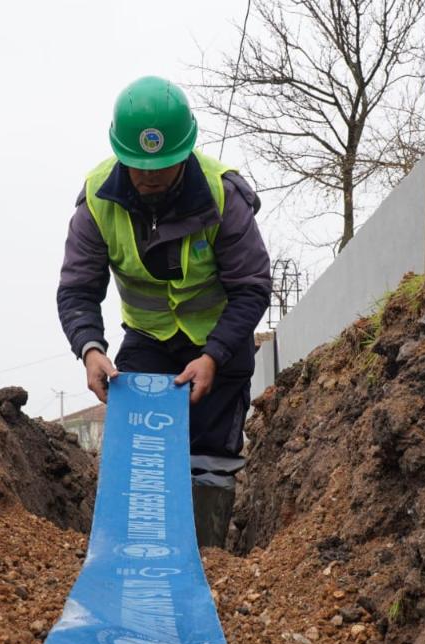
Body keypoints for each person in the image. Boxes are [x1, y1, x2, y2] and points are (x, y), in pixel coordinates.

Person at [56, 76, 272, 548]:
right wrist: (90, 349)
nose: (149, 175)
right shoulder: (97, 200)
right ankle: (133, 555)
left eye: (163, 165)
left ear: (185, 151)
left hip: (220, 344)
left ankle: (208, 560)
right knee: (140, 453)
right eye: (137, 166)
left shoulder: (222, 195)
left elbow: (252, 288)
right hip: (149, 343)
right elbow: (76, 289)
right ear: (120, 153)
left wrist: (214, 355)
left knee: (209, 456)